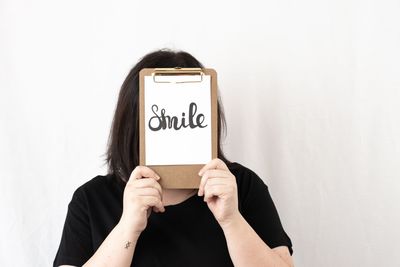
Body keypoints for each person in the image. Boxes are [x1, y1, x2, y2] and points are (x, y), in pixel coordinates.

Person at [53, 49, 294, 267]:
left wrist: (232, 220)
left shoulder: (241, 186)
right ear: (133, 123)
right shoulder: (91, 200)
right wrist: (127, 228)